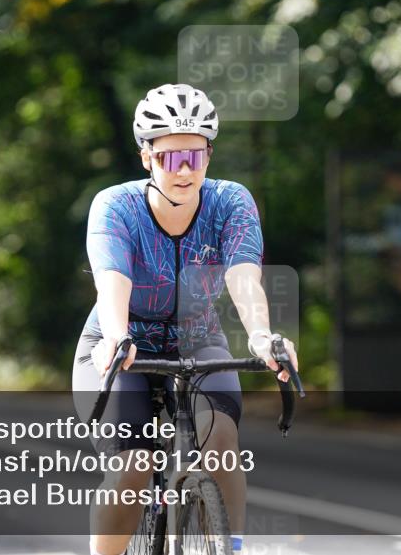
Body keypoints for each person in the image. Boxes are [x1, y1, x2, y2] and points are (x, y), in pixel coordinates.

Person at [73, 83, 299, 555]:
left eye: (194, 158)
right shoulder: (115, 206)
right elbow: (112, 281)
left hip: (197, 338)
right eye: (169, 158)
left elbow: (243, 277)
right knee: (133, 465)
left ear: (209, 158)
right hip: (120, 339)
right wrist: (116, 336)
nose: (183, 171)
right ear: (146, 159)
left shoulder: (230, 202)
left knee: (221, 440)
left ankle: (227, 546)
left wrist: (260, 336)